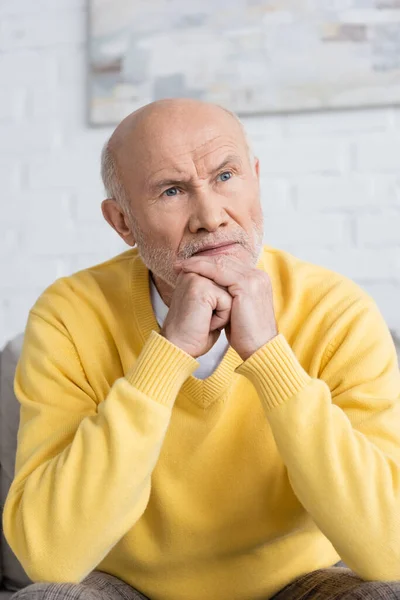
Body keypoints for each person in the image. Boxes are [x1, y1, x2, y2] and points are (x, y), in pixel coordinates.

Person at [3, 98, 400, 600]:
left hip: (298, 587)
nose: (211, 217)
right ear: (122, 222)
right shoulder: (68, 314)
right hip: (129, 589)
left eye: (226, 176)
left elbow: (390, 552)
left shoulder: (337, 310)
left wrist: (268, 355)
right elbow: (50, 555)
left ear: (255, 178)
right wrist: (168, 355)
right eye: (172, 191)